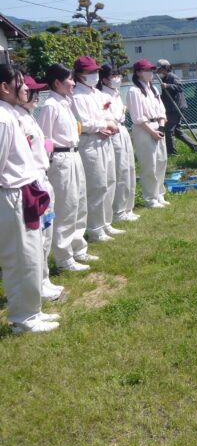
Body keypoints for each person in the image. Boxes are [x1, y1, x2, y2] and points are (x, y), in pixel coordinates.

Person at [0, 64, 59, 333]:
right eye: (20, 82)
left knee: (32, 255)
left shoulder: (12, 113)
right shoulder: (2, 118)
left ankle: (32, 311)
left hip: (24, 190)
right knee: (20, 258)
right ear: (4, 87)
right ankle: (22, 319)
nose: (25, 88)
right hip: (11, 193)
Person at [37, 63, 94, 272]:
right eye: (69, 79)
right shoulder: (51, 105)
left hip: (74, 154)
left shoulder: (65, 103)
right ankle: (64, 257)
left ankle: (78, 248)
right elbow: (45, 137)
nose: (73, 83)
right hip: (61, 159)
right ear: (57, 83)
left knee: (79, 202)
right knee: (66, 207)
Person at [17, 74, 64, 300]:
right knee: (36, 236)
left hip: (42, 177)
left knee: (46, 230)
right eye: (30, 91)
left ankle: (44, 278)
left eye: (37, 92)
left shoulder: (29, 115)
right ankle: (38, 283)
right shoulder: (16, 118)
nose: (35, 96)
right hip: (32, 180)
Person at [72, 56, 121, 243]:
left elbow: (109, 115)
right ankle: (95, 228)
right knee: (96, 186)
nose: (94, 75)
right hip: (90, 142)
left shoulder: (98, 94)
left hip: (105, 139)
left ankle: (106, 222)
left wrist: (107, 124)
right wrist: (102, 124)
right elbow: (83, 123)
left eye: (95, 71)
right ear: (79, 74)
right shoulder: (77, 96)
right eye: (89, 72)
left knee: (110, 180)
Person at [98, 64, 140, 223]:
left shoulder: (116, 94)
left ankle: (128, 207)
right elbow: (108, 117)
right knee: (119, 170)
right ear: (104, 80)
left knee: (129, 168)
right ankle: (118, 211)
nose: (117, 78)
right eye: (113, 76)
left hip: (122, 130)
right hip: (113, 132)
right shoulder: (103, 95)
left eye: (118, 75)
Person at [127, 59, 168, 209]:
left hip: (158, 124)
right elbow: (137, 117)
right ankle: (150, 197)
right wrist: (152, 132)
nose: (151, 73)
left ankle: (159, 194)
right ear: (138, 72)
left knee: (161, 161)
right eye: (147, 70)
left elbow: (161, 110)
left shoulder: (154, 89)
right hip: (144, 128)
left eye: (152, 70)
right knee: (149, 164)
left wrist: (161, 128)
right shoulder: (134, 91)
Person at [156, 59, 197, 156]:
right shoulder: (164, 78)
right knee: (177, 131)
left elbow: (180, 87)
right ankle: (195, 146)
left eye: (160, 70)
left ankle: (172, 153)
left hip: (176, 108)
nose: (159, 72)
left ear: (165, 68)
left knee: (168, 130)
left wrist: (167, 86)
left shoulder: (172, 77)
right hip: (171, 107)